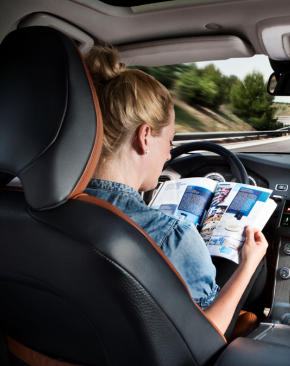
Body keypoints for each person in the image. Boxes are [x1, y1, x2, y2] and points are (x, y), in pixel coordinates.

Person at [82, 46, 268, 335]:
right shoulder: (172, 237)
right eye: (169, 142)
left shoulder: (44, 209)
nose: (169, 156)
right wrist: (249, 264)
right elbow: (206, 336)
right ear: (145, 137)